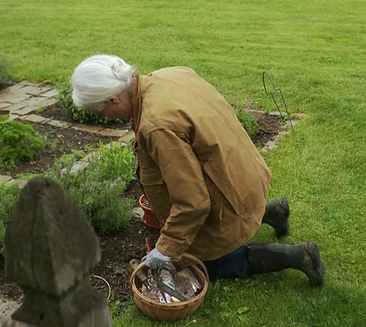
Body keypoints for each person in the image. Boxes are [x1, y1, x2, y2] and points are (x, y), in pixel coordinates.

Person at [70, 54, 324, 286]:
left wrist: (166, 250)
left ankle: (299, 255)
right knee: (207, 231)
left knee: (205, 264)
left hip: (233, 192)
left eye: (100, 110)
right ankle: (274, 211)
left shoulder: (156, 125)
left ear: (114, 98)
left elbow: (193, 203)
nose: (104, 116)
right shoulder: (169, 74)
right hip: (245, 176)